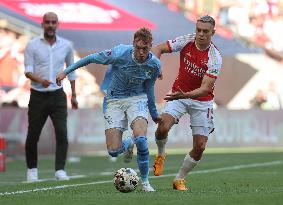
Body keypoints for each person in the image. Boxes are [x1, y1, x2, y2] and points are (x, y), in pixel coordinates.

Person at [56, 27, 161, 191]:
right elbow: (90, 58)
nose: (141, 52)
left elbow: (149, 88)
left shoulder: (154, 64)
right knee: (113, 151)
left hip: (137, 99)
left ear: (150, 46)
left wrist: (154, 112)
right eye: (138, 48)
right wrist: (65, 72)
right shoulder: (119, 53)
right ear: (133, 44)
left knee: (142, 139)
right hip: (114, 100)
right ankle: (128, 143)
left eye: (145, 49)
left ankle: (146, 182)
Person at [151, 15, 222, 190]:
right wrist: (156, 66)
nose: (201, 34)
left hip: (201, 102)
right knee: (162, 128)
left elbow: (205, 89)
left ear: (213, 33)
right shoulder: (186, 41)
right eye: (198, 30)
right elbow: (158, 48)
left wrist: (184, 95)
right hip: (178, 95)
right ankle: (161, 155)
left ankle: (179, 179)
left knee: (199, 146)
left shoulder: (215, 57)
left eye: (205, 31)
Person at [24, 12, 78, 182]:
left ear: (57, 24)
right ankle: (32, 170)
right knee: (33, 134)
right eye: (47, 22)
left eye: (53, 22)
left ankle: (60, 170)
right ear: (42, 24)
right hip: (38, 95)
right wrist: (40, 80)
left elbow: (71, 70)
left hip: (58, 96)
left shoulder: (67, 45)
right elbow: (27, 70)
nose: (50, 25)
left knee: (62, 133)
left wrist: (74, 95)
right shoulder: (32, 45)